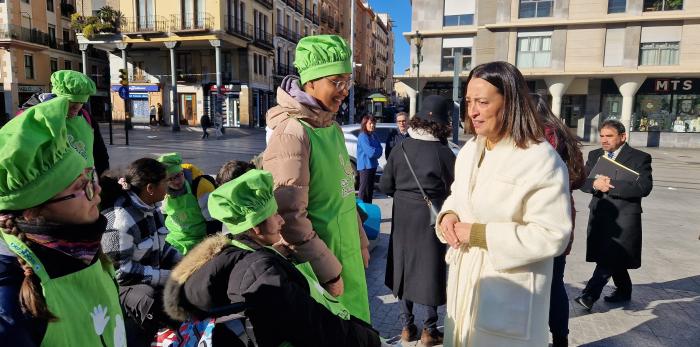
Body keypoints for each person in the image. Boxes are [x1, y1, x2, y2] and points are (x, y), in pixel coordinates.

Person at [163, 170, 400, 347]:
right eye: (274, 214)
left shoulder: (229, 254)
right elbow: (313, 324)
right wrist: (370, 339)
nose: (281, 220)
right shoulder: (258, 270)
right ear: (255, 227)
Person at [436, 61, 572, 346]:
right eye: (469, 101)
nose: (472, 111)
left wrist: (478, 234)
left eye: (483, 102)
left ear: (510, 103)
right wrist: (448, 214)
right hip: (465, 287)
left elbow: (552, 234)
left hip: (510, 296)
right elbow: (458, 196)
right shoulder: (471, 150)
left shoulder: (539, 159)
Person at [0, 97, 126, 346]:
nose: (97, 193)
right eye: (84, 187)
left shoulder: (85, 251)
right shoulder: (11, 302)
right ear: (33, 213)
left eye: (92, 179)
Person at [262, 34, 371, 323]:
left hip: (346, 259)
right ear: (310, 82)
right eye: (336, 81)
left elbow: (347, 197)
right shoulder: (293, 133)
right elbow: (290, 217)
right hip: (322, 268)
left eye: (347, 81)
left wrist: (360, 243)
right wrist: (329, 271)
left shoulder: (332, 128)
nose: (344, 90)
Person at [379, 95, 456, 345]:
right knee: (431, 269)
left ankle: (406, 327)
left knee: (403, 268)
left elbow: (385, 184)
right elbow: (455, 189)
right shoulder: (444, 153)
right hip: (431, 219)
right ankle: (429, 329)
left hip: (402, 218)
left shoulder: (401, 148)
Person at [100, 158, 182, 346]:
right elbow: (122, 272)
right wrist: (166, 276)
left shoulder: (152, 207)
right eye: (165, 182)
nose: (168, 186)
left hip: (149, 273)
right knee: (151, 297)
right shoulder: (121, 220)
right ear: (150, 189)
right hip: (124, 286)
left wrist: (186, 262)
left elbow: (162, 246)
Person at [574, 119, 653, 312]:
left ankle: (589, 295)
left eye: (609, 136)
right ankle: (624, 290)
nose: (604, 140)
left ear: (623, 137)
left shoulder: (639, 157)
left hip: (625, 217)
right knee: (614, 255)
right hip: (600, 214)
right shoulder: (594, 155)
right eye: (601, 136)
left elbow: (644, 187)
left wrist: (610, 184)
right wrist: (594, 184)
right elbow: (583, 181)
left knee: (608, 256)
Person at [532, 93, 586, 347]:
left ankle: (544, 337)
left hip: (543, 215)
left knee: (543, 284)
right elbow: (579, 178)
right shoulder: (563, 133)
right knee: (555, 282)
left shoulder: (541, 135)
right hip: (564, 210)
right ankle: (560, 338)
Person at [18, 71, 110, 176]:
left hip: (83, 188)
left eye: (81, 102)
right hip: (51, 189)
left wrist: (104, 181)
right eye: (72, 102)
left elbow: (100, 154)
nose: (77, 107)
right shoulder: (33, 117)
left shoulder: (86, 118)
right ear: (56, 98)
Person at [157, 153, 213, 254]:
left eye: (179, 175)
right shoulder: (122, 217)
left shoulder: (199, 186)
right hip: (175, 240)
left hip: (200, 240)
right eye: (170, 179)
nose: (177, 182)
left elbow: (213, 222)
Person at [357, 114, 383, 204]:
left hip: (373, 166)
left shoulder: (374, 135)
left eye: (374, 123)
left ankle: (368, 212)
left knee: (370, 191)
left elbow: (380, 150)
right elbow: (370, 153)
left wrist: (376, 151)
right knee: (364, 191)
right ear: (365, 124)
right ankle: (360, 212)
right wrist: (377, 150)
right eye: (370, 123)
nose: (372, 125)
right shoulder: (363, 136)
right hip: (365, 167)